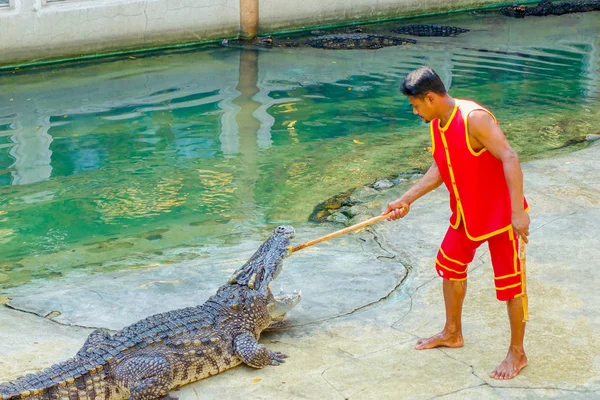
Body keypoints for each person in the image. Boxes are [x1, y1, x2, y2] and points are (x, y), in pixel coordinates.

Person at [383, 66, 530, 380]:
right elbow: (440, 168)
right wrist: (405, 199)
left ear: (432, 97)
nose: (415, 111)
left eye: (416, 105)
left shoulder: (474, 118)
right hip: (467, 213)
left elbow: (510, 157)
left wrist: (518, 212)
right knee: (449, 266)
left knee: (510, 287)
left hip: (502, 216)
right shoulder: (437, 122)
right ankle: (452, 332)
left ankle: (517, 353)